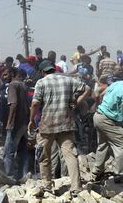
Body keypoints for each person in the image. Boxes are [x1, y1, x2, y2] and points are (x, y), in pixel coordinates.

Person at [29, 60, 91, 196]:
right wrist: (76, 102)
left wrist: (31, 120)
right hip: (66, 124)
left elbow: (35, 104)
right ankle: (76, 188)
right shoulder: (68, 80)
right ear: (53, 69)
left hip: (47, 126)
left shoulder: (41, 82)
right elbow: (87, 89)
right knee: (70, 156)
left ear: (42, 71)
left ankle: (47, 186)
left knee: (44, 156)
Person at [3, 68, 30, 181]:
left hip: (16, 124)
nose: (4, 76)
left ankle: (9, 177)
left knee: (8, 152)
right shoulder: (23, 85)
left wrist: (9, 122)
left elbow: (13, 104)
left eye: (6, 73)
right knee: (22, 150)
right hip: (24, 123)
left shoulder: (12, 85)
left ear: (12, 73)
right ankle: (23, 175)